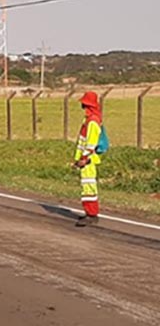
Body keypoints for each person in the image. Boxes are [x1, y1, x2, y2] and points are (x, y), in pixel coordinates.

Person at [74, 91, 104, 227]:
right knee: (87, 186)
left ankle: (91, 214)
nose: (83, 107)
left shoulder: (92, 122)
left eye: (84, 104)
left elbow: (91, 143)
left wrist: (84, 158)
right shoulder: (89, 119)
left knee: (89, 186)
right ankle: (89, 212)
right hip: (85, 158)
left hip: (88, 160)